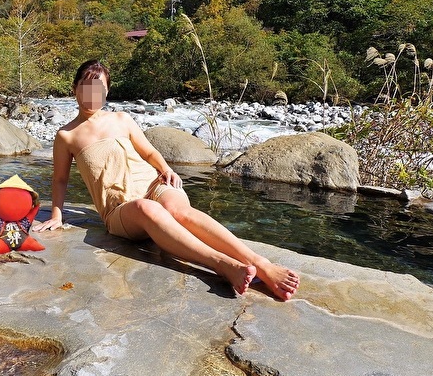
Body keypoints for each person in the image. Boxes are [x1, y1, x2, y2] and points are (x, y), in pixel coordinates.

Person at [33, 59, 300, 300]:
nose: (92, 94)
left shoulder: (122, 119)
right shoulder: (66, 135)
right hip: (121, 209)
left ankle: (261, 264)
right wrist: (57, 215)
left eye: (99, 88)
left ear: (107, 92)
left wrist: (166, 169)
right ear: (74, 88)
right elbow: (59, 179)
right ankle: (222, 264)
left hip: (152, 185)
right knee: (146, 209)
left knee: (177, 209)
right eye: (86, 86)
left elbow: (148, 150)